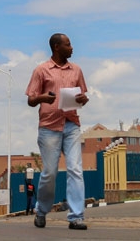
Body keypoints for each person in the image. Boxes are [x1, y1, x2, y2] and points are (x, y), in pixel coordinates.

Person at [26, 33, 89, 231]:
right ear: (56, 47)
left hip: (71, 124)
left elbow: (82, 95)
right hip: (49, 127)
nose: (72, 48)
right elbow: (31, 100)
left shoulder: (76, 70)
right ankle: (41, 211)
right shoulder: (41, 70)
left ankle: (76, 217)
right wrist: (43, 98)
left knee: (76, 170)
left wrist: (82, 100)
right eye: (68, 45)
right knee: (50, 173)